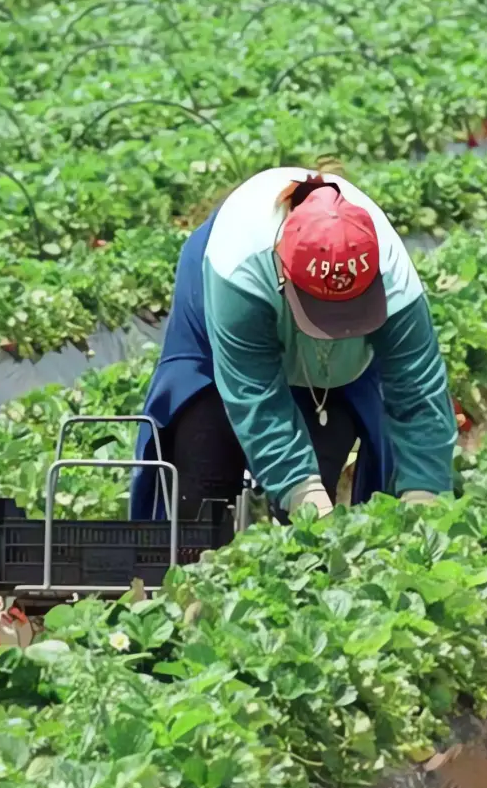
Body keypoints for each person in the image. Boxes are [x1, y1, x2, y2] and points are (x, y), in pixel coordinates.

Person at [128, 166, 459, 524]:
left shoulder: (393, 275)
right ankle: (200, 557)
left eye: (347, 312)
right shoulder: (239, 270)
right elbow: (253, 392)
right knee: (206, 467)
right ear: (283, 276)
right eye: (323, 314)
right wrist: (299, 488)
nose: (331, 329)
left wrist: (423, 498)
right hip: (221, 322)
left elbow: (419, 393)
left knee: (321, 469)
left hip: (342, 369)